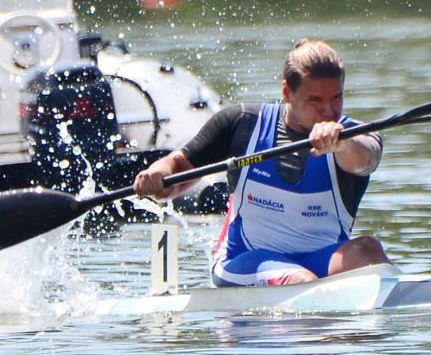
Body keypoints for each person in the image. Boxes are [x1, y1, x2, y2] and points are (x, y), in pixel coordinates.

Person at [134, 39, 390, 286]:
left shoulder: (353, 136)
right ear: (287, 92)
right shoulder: (241, 123)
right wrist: (158, 174)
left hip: (322, 261)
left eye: (336, 98)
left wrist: (343, 143)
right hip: (244, 260)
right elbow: (178, 167)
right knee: (301, 280)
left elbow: (367, 160)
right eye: (316, 100)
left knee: (369, 251)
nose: (329, 111)